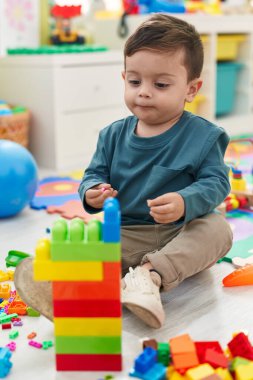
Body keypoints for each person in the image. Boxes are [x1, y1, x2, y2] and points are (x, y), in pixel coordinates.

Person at [14, 14, 233, 329]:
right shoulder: (112, 135)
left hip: (182, 232)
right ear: (124, 78)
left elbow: (217, 182)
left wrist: (186, 200)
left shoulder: (204, 135)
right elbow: (93, 174)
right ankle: (68, 284)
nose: (143, 92)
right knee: (94, 245)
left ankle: (148, 277)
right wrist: (92, 191)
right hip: (127, 233)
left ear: (191, 89)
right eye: (134, 81)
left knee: (218, 230)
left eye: (160, 84)